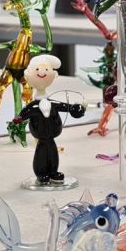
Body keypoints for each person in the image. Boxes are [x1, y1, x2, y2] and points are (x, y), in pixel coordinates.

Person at [18, 54, 85, 186]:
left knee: (53, 154)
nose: (42, 72)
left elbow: (64, 107)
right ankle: (41, 173)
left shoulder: (52, 104)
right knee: (41, 154)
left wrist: (74, 108)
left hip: (52, 137)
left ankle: (53, 172)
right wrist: (19, 119)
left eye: (46, 69)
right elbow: (24, 113)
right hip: (42, 139)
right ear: (28, 75)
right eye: (37, 69)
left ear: (53, 75)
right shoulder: (33, 107)